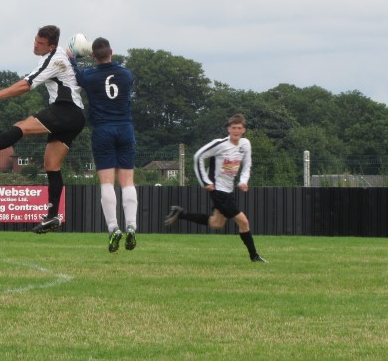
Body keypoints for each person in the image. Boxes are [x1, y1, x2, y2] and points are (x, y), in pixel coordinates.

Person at [0, 25, 85, 234]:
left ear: (51, 46)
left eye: (40, 43)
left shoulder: (53, 60)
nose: (35, 45)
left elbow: (26, 85)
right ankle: (52, 217)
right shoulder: (58, 54)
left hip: (66, 110)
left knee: (22, 127)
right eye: (35, 40)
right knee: (51, 165)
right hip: (75, 116)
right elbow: (74, 50)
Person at [163, 114, 267, 263]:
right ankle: (254, 256)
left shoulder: (245, 144)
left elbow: (247, 164)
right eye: (233, 128)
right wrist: (205, 181)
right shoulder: (220, 144)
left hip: (228, 189)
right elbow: (198, 156)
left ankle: (180, 214)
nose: (236, 131)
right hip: (217, 190)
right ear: (228, 129)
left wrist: (243, 181)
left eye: (239, 128)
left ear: (244, 130)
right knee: (243, 222)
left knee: (217, 223)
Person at [69, 37, 138, 253]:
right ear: (111, 52)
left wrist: (72, 57)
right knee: (127, 182)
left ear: (92, 56)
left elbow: (75, 74)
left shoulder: (89, 76)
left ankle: (113, 228)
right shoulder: (126, 74)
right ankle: (131, 226)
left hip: (103, 130)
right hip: (125, 129)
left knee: (107, 183)